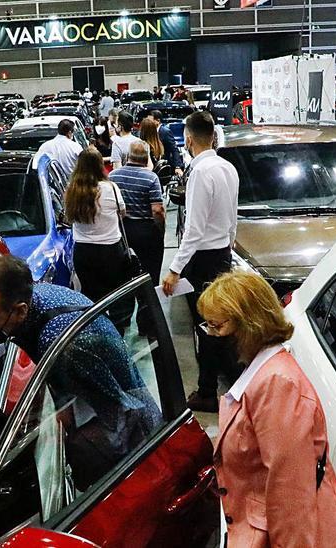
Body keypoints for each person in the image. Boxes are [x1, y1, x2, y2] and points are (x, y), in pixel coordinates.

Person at [0, 255, 162, 487]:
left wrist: (46, 429)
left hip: (129, 436)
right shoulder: (37, 295)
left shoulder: (62, 343)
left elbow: (115, 411)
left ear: (20, 311)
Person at [197, 272, 336, 548]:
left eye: (216, 327)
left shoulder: (277, 385)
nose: (211, 335)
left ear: (248, 326)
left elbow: (292, 497)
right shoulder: (258, 375)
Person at [163, 111, 240, 412]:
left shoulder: (200, 172)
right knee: (220, 325)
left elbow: (193, 230)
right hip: (222, 255)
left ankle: (208, 391)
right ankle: (226, 386)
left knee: (208, 328)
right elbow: (233, 217)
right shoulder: (227, 168)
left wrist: (174, 269)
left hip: (204, 260)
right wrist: (229, 249)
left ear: (189, 139)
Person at [64, 148, 133, 330]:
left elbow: (67, 217)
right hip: (110, 250)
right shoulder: (110, 188)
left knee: (90, 294)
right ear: (99, 166)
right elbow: (122, 213)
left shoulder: (72, 191)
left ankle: (97, 330)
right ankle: (117, 332)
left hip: (83, 252)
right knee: (115, 294)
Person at [109, 142, 165, 285]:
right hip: (146, 231)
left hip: (121, 231)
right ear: (146, 158)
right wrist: (161, 229)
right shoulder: (151, 178)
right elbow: (157, 210)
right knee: (150, 271)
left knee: (124, 272)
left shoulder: (112, 176)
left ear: (128, 156)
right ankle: (149, 302)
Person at [36, 119, 84, 194]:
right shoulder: (76, 147)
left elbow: (36, 166)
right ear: (69, 132)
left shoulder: (45, 146)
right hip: (74, 188)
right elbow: (84, 168)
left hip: (50, 191)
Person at [141, 114, 182, 183]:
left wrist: (177, 166)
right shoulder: (159, 145)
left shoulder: (144, 147)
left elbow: (174, 149)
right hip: (159, 179)